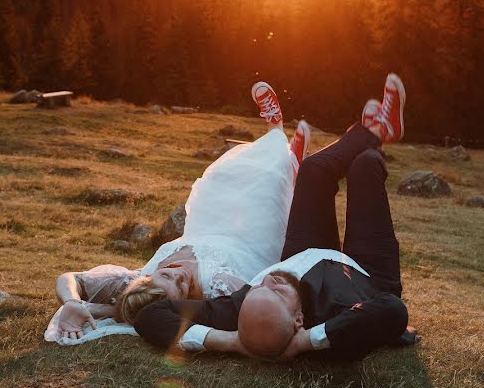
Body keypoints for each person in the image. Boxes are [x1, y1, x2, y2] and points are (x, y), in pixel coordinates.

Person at [134, 73, 417, 360]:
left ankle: (380, 129)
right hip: (367, 275)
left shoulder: (239, 312)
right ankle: (377, 134)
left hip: (304, 254)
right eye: (279, 293)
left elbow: (150, 316)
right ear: (298, 321)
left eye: (257, 288)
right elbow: (392, 309)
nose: (272, 281)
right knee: (365, 165)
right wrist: (307, 341)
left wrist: (232, 340)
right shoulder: (331, 318)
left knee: (313, 170)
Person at [49, 81, 311, 341]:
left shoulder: (136, 279)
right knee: (263, 194)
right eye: (182, 287)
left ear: (145, 281)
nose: (178, 275)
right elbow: (259, 305)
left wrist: (73, 302)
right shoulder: (217, 286)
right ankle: (282, 146)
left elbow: (72, 278)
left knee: (220, 177)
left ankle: (284, 154)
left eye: (166, 275)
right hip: (248, 240)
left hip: (206, 225)